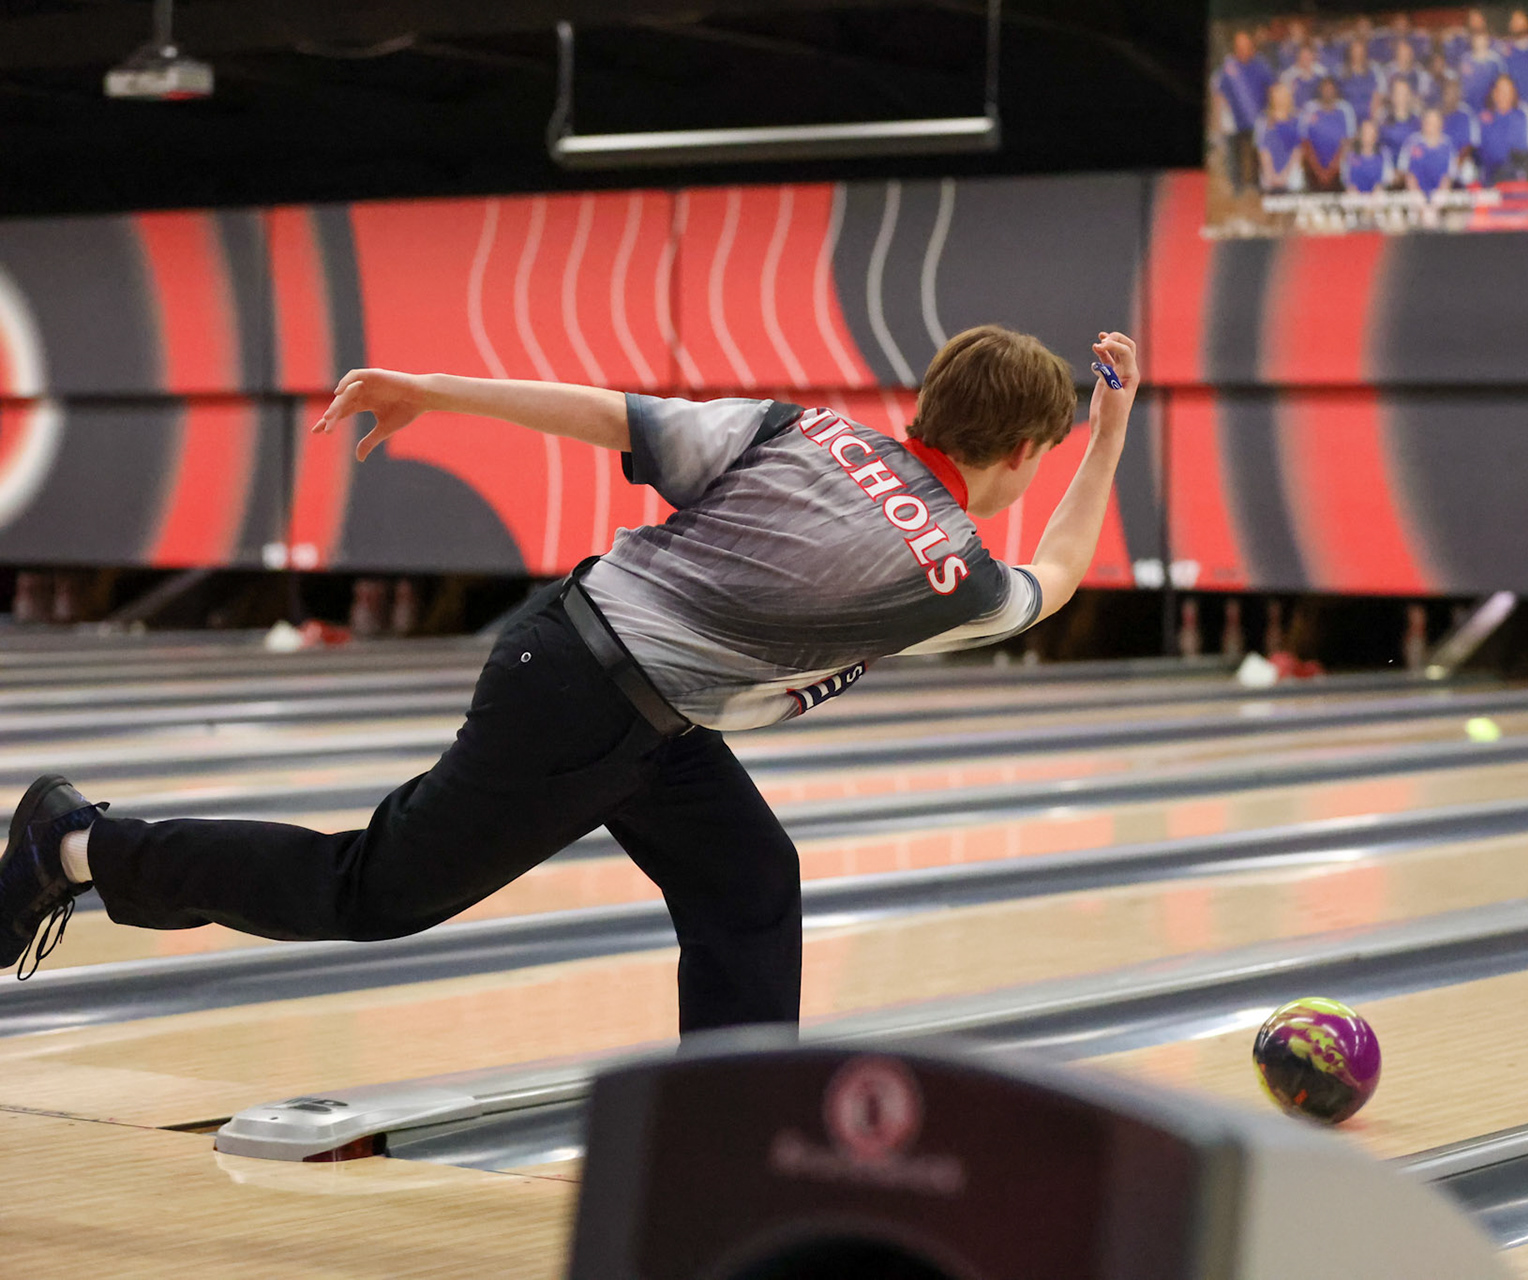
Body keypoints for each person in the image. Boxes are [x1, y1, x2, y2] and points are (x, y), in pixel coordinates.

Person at [0, 326, 1145, 1039]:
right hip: (591, 710)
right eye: (1040, 458)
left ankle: (724, 1140)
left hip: (598, 666)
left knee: (750, 878)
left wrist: (434, 389)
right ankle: (77, 842)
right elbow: (1059, 572)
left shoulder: (806, 429)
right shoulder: (951, 571)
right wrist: (1111, 437)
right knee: (367, 890)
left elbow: (614, 414)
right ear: (1019, 456)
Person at [1213, 30, 1275, 195]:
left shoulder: (1261, 64)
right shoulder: (1228, 66)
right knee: (1235, 154)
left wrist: (1270, 111)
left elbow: (1271, 87)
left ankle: (1257, 184)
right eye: (1239, 47)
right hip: (1235, 119)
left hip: (1258, 117)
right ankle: (1237, 186)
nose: (1243, 50)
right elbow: (1219, 92)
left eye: (1246, 46)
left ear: (1251, 47)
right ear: (1235, 48)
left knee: (1258, 153)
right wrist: (1222, 117)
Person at [1476, 73, 1528, 181]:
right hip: (1489, 177)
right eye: (1500, 90)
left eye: (1508, 91)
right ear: (1494, 93)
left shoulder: (1522, 118)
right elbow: (1480, 154)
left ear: (1513, 94)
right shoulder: (1483, 119)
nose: (1504, 95)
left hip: (1515, 178)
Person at [1302, 75, 1358, 193]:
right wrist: (1318, 170)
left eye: (1330, 89)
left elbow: (1348, 142)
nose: (1328, 92)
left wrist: (1332, 169)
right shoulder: (1310, 108)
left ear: (1336, 90)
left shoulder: (1345, 109)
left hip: (1339, 168)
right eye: (1325, 89)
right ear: (1319, 90)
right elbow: (1305, 141)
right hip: (1314, 168)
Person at [1398, 107, 1459, 199]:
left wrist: (1437, 202)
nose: (1431, 125)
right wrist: (1419, 201)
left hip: (1440, 197)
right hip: (1414, 196)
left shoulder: (1448, 144)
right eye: (1428, 121)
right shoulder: (1412, 142)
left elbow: (1448, 177)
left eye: (1434, 122)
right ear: (1422, 122)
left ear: (1441, 124)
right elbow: (1405, 172)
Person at [1258, 82, 1305, 193]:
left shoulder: (1297, 120)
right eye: (1277, 96)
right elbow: (1263, 150)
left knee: (1294, 182)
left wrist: (1285, 175)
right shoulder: (1263, 121)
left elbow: (1297, 151)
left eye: (1284, 96)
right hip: (1269, 172)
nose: (1281, 99)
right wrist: (1271, 175)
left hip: (1291, 172)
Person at [1438, 77, 1482, 182]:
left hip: (1459, 160)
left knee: (1468, 171)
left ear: (1459, 94)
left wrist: (1456, 164)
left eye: (1454, 92)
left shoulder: (1466, 114)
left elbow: (1470, 145)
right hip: (1438, 158)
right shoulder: (1437, 114)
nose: (1451, 96)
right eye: (1448, 92)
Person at [1458, 27, 1508, 111]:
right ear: (1472, 41)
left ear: (1487, 40)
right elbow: (1461, 84)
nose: (1479, 43)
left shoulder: (1495, 60)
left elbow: (1501, 83)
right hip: (1469, 106)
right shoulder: (1465, 59)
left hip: (1489, 106)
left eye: (1482, 39)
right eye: (1476, 39)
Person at [1379, 75, 1424, 161]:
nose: (1401, 97)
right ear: (1392, 96)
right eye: (1398, 93)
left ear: (1410, 96)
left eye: (1405, 93)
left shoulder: (1418, 123)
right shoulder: (1383, 123)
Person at [1335, 38, 1382, 121]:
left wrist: (1373, 118)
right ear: (1350, 52)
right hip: (1347, 115)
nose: (1358, 54)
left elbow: (1377, 95)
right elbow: (1337, 98)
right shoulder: (1341, 72)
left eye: (1360, 51)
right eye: (1355, 51)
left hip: (1369, 114)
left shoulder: (1373, 69)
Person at [1342, 119, 1391, 195]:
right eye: (1365, 133)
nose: (1368, 136)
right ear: (1360, 135)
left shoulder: (1384, 153)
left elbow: (1386, 178)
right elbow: (1346, 178)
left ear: (1376, 135)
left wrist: (1376, 192)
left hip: (1376, 195)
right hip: (1355, 195)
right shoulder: (1350, 154)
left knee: (1380, 197)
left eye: (1371, 133)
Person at [1280, 40, 1328, 112]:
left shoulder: (1322, 72)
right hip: (1296, 112)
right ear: (1297, 56)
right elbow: (1284, 99)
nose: (1305, 58)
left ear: (1313, 55)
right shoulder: (1287, 75)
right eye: (1302, 55)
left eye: (1308, 55)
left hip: (1318, 111)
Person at [1382, 38, 1432, 104]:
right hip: (1393, 106)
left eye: (1408, 53)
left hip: (1415, 107)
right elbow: (1383, 95)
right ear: (1396, 54)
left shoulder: (1420, 72)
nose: (1405, 56)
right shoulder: (1387, 71)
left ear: (1412, 54)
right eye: (1402, 53)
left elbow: (1424, 94)